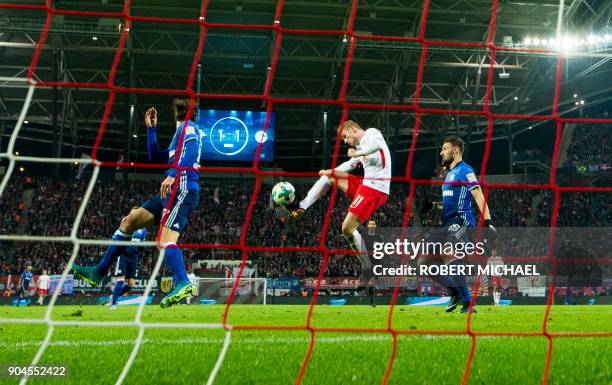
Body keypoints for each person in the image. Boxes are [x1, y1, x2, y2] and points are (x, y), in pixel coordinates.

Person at [72, 98, 203, 308]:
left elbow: (192, 150)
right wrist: (151, 130)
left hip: (182, 189)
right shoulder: (177, 137)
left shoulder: (189, 127)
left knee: (164, 240)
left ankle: (183, 282)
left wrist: (172, 174)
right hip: (167, 194)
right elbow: (155, 158)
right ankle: (99, 271)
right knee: (129, 221)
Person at [286, 120, 391, 292]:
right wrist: (330, 170)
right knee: (329, 177)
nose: (344, 141)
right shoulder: (360, 149)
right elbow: (349, 165)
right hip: (365, 183)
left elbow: (377, 147)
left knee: (347, 228)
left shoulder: (372, 133)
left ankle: (367, 269)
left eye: (345, 136)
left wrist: (358, 153)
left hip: (376, 189)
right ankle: (302, 206)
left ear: (352, 129)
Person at [418, 136, 496, 313]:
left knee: (449, 254)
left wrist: (488, 222)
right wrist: (433, 206)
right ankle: (455, 291)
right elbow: (450, 203)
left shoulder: (465, 170)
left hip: (462, 222)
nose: (441, 152)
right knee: (423, 261)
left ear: (456, 150)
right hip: (447, 223)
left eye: (445, 148)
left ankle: (468, 304)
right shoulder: (449, 175)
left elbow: (477, 194)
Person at [110, 228, 146, 310]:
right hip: (123, 255)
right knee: (120, 280)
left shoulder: (143, 229)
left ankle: (114, 296)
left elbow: (143, 243)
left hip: (134, 257)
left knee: (131, 283)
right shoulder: (130, 223)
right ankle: (113, 304)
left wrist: (142, 246)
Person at [361, 219, 384, 307]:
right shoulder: (363, 236)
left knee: (372, 282)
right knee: (366, 282)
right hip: (366, 262)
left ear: (375, 226)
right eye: (370, 224)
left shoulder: (379, 237)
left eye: (373, 224)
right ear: (368, 226)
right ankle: (370, 301)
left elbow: (382, 250)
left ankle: (371, 301)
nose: (371, 225)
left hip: (377, 262)